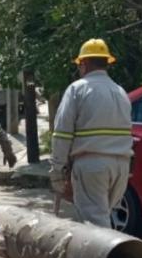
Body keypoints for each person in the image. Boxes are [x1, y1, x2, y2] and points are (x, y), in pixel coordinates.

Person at [50, 39, 132, 228]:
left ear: (84, 64)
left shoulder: (78, 89)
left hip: (92, 165)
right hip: (121, 166)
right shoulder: (120, 92)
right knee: (104, 218)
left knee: (95, 227)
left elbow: (62, 133)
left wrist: (57, 168)